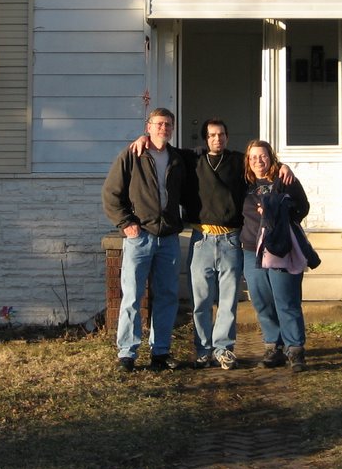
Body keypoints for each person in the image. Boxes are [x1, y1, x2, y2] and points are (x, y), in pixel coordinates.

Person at [130, 118, 292, 370]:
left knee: (228, 301)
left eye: (222, 134)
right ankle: (203, 351)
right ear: (205, 139)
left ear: (227, 137)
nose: (217, 139)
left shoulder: (238, 161)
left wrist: (284, 167)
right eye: (212, 135)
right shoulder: (192, 159)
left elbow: (260, 162)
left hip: (230, 240)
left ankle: (223, 350)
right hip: (201, 240)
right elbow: (163, 147)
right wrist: (144, 139)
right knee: (201, 301)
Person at [102, 107, 185, 373]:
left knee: (167, 297)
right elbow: (111, 193)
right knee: (132, 297)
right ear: (148, 126)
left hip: (168, 238)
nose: (164, 128)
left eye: (168, 124)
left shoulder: (177, 158)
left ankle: (160, 352)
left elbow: (206, 158)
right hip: (140, 238)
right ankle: (127, 353)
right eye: (159, 124)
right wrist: (126, 223)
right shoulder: (133, 155)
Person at [241, 139, 311, 372]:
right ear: (247, 161)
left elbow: (302, 208)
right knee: (262, 300)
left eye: (262, 156)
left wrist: (278, 211)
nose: (258, 161)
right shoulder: (244, 183)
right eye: (253, 157)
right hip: (252, 250)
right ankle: (274, 346)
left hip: (280, 248)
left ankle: (295, 349)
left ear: (271, 157)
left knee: (286, 300)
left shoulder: (285, 180)